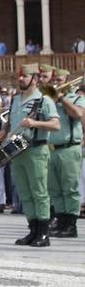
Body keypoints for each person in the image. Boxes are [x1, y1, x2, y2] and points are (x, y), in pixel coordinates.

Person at [0, 62, 59, 247]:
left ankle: (43, 232)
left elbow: (56, 125)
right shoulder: (16, 99)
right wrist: (3, 130)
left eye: (25, 76)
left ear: (35, 79)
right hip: (17, 150)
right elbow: (10, 121)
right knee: (25, 192)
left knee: (39, 192)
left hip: (36, 150)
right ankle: (32, 229)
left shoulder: (43, 100)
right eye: (20, 76)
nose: (20, 79)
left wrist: (35, 124)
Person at [45, 67, 82, 238]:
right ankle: (60, 220)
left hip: (68, 148)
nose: (55, 84)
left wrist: (61, 98)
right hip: (51, 149)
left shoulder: (77, 98)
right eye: (54, 81)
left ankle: (71, 223)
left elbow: (77, 114)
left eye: (59, 81)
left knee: (70, 188)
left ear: (68, 80)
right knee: (55, 189)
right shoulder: (49, 100)